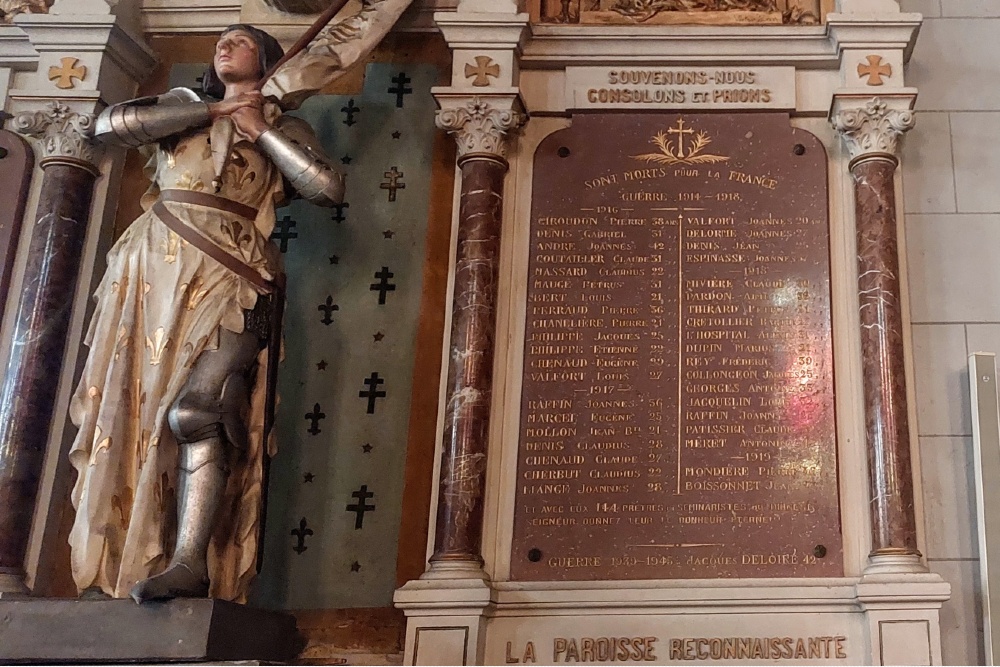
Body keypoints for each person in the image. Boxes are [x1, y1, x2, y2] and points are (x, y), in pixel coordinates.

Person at [68, 24, 344, 603]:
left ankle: (192, 560)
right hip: (155, 270)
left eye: (242, 41)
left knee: (199, 409)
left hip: (236, 269)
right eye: (221, 40)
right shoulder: (183, 108)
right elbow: (110, 125)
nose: (225, 46)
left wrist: (261, 131)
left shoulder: (284, 125)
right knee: (134, 411)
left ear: (266, 59)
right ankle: (131, 552)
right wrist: (215, 109)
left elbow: (325, 188)